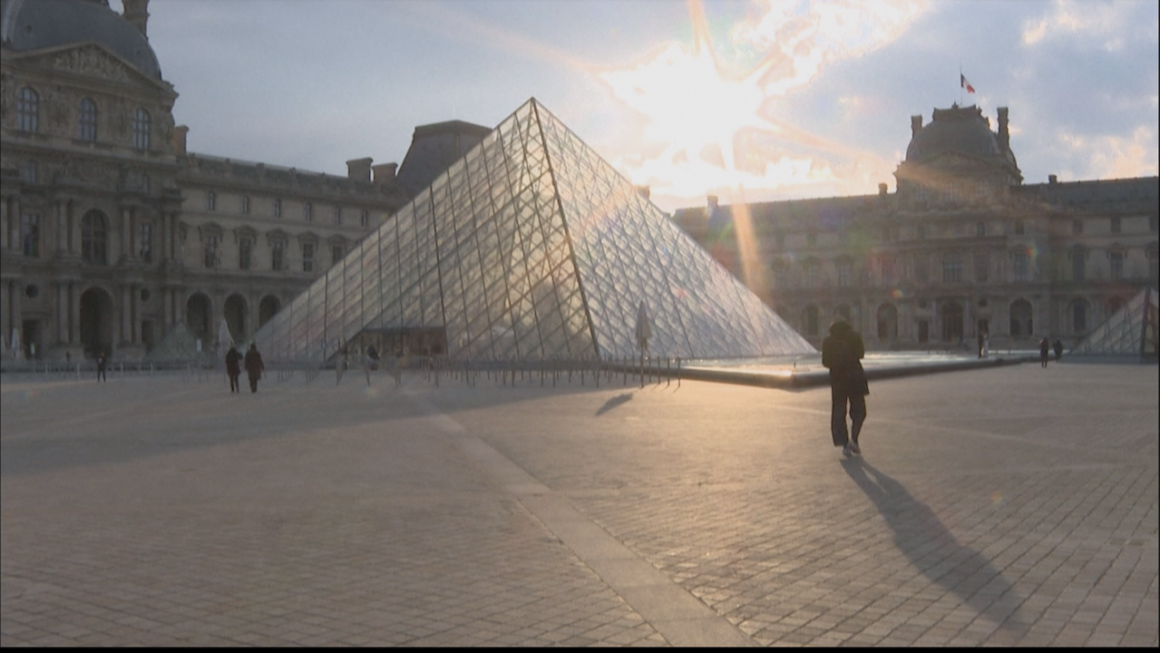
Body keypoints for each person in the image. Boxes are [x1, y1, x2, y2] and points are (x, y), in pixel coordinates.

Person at [821, 320, 869, 457]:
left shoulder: (828, 341)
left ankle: (845, 444)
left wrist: (836, 363)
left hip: (838, 379)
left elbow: (825, 362)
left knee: (839, 412)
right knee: (859, 411)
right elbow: (861, 354)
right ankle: (854, 439)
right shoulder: (855, 336)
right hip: (855, 377)